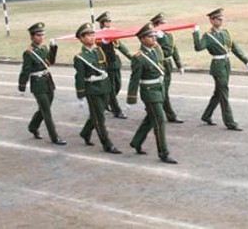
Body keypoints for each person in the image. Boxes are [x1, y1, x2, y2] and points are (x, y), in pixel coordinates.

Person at [193, 8, 248, 131]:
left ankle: (206, 115)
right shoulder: (208, 36)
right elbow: (198, 47)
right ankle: (230, 122)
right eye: (218, 19)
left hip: (226, 64)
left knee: (219, 93)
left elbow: (235, 48)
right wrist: (196, 33)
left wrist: (246, 60)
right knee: (224, 92)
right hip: (218, 66)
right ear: (212, 20)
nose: (221, 21)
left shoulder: (226, 33)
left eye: (222, 19)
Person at [127, 23, 177, 164]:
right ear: (142, 39)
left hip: (159, 89)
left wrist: (164, 38)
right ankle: (163, 153)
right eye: (150, 36)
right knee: (159, 120)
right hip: (149, 92)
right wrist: (131, 100)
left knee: (151, 118)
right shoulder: (138, 57)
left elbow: (168, 51)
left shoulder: (156, 49)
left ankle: (136, 142)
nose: (154, 38)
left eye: (154, 35)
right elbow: (134, 79)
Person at [74, 22, 121, 154]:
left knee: (96, 114)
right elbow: (79, 77)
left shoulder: (99, 49)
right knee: (100, 118)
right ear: (81, 39)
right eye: (87, 35)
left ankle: (85, 132)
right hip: (92, 89)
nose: (91, 37)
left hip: (105, 87)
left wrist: (108, 45)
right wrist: (81, 95)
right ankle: (107, 144)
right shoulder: (80, 57)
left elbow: (111, 60)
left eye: (92, 34)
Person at [18, 22, 66, 145]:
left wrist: (53, 48)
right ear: (32, 37)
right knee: (47, 112)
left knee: (45, 108)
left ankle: (33, 127)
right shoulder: (29, 53)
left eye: (42, 35)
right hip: (38, 84)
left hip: (48, 81)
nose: (41, 37)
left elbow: (50, 62)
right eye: (38, 35)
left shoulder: (43, 48)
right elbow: (25, 71)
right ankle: (54, 137)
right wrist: (22, 87)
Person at [95, 11, 132, 119]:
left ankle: (104, 103)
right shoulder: (97, 36)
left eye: (109, 22)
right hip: (106, 66)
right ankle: (117, 110)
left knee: (118, 85)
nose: (108, 24)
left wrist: (131, 57)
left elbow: (120, 46)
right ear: (101, 24)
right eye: (106, 22)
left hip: (115, 64)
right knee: (111, 88)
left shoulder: (111, 34)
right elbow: (96, 51)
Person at [150, 12, 184, 123]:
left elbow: (174, 50)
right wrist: (161, 37)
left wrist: (179, 64)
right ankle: (170, 115)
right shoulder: (153, 36)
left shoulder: (168, 35)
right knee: (163, 91)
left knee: (165, 90)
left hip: (168, 65)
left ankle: (152, 110)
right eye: (162, 23)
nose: (165, 25)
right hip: (160, 65)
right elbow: (162, 51)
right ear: (156, 25)